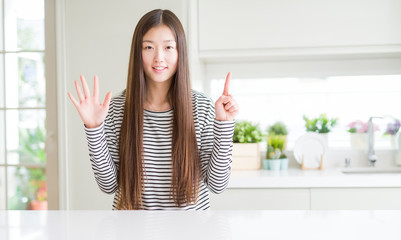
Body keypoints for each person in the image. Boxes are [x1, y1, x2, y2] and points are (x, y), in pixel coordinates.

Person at [68, 9, 239, 210]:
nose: (159, 57)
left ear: (179, 52)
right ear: (137, 53)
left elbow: (217, 185)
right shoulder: (116, 108)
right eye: (148, 47)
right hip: (131, 230)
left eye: (168, 47)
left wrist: (224, 125)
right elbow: (109, 186)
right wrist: (94, 128)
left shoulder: (201, 107)